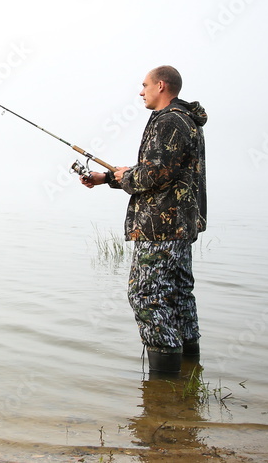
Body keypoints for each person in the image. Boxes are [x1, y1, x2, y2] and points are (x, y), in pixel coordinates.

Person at [80, 66, 207, 374]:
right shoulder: (183, 120)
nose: (141, 91)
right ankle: (188, 380)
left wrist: (124, 178)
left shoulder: (169, 121)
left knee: (146, 295)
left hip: (160, 227)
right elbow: (159, 169)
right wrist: (108, 177)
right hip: (177, 225)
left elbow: (153, 174)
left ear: (161, 86)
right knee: (177, 296)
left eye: (144, 85)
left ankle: (162, 386)